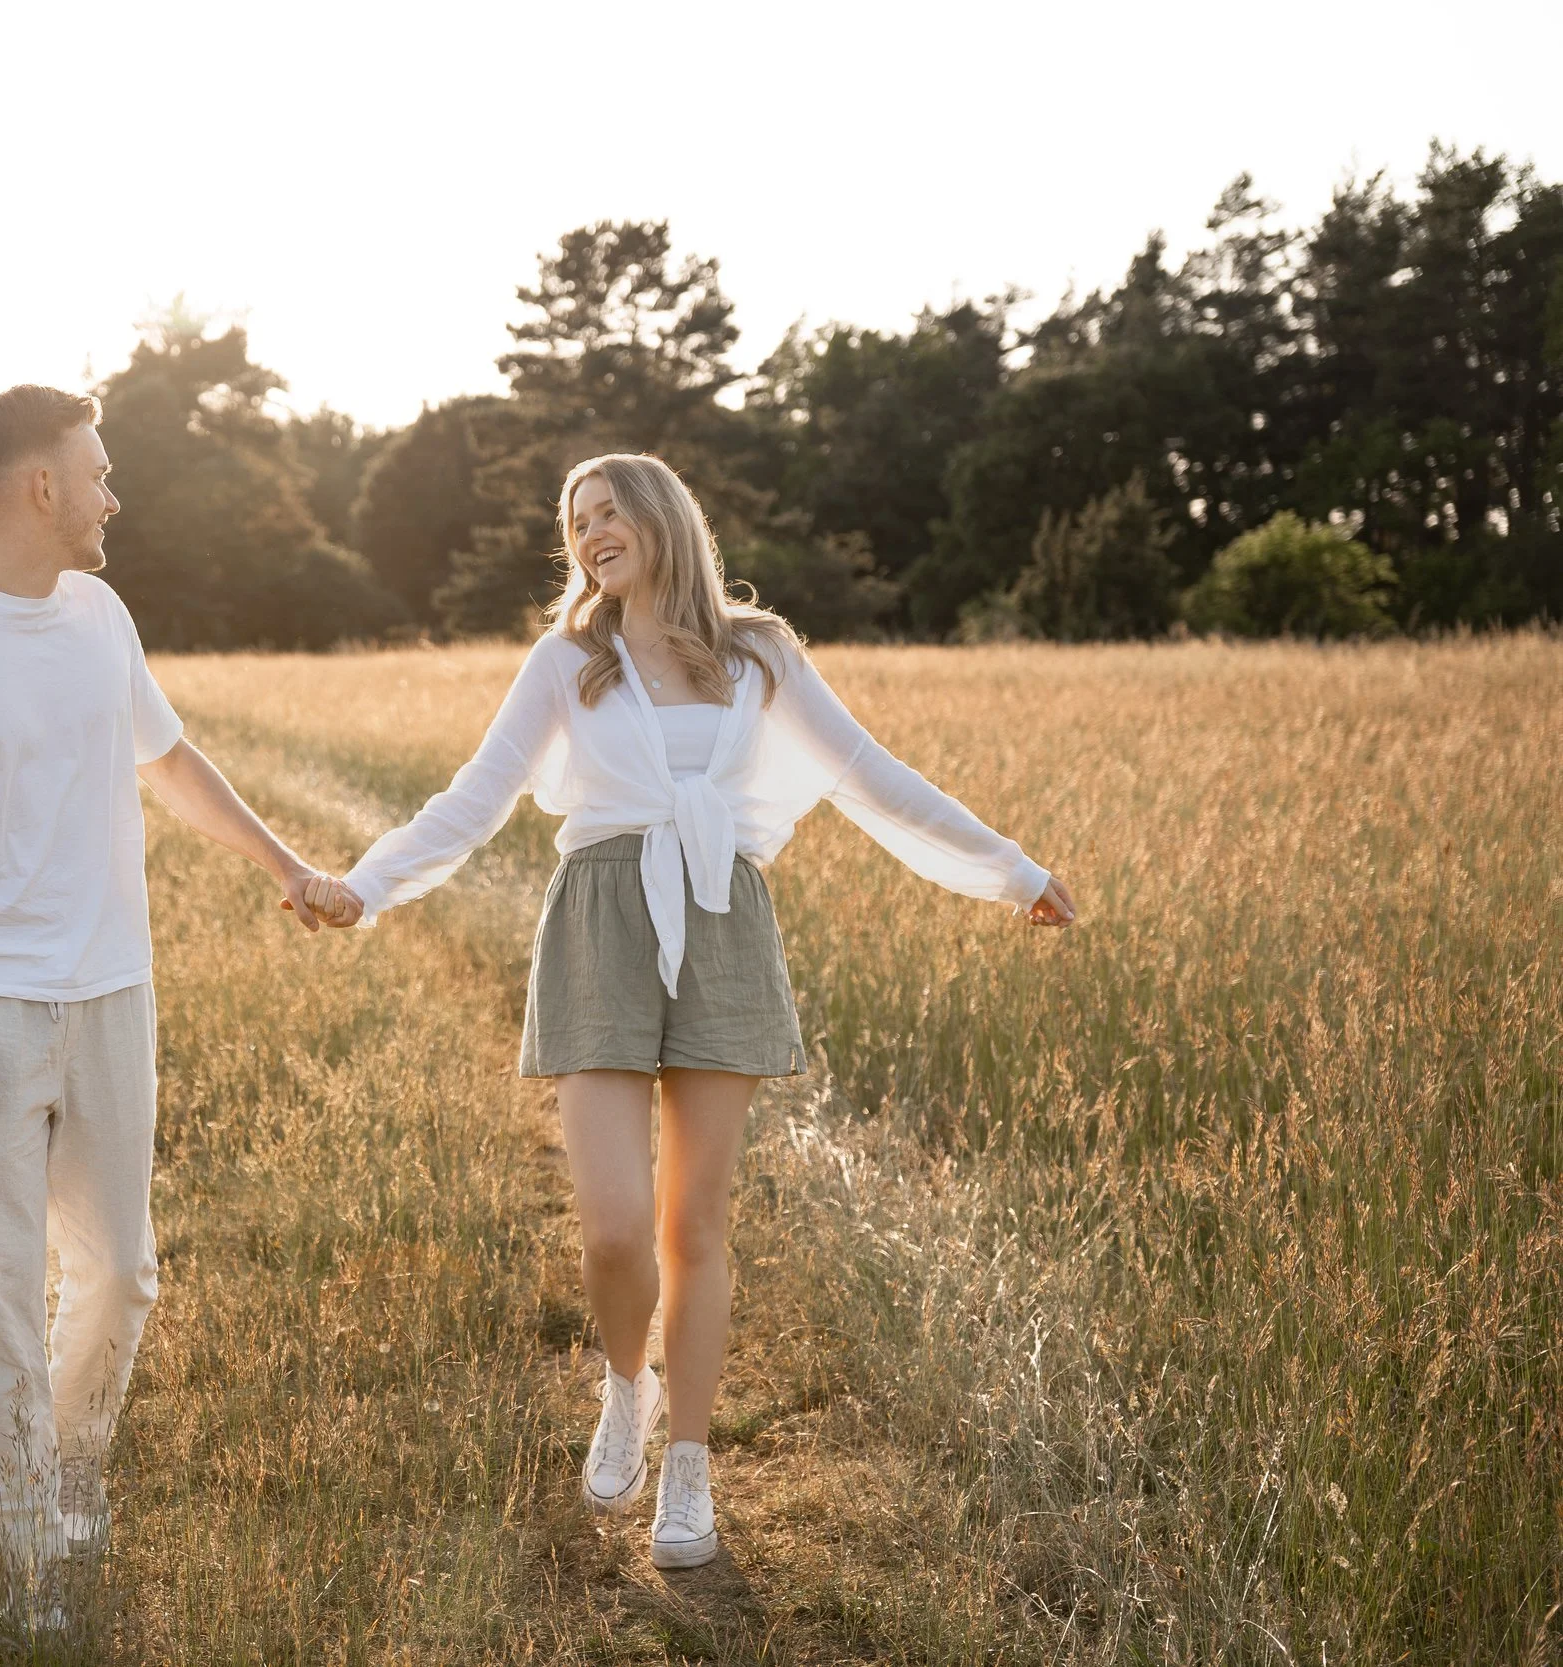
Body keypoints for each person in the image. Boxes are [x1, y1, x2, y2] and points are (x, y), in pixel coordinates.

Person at [316, 453, 1076, 1571]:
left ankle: (687, 1464)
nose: (589, 533)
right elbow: (472, 799)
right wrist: (367, 883)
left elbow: (870, 772)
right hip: (597, 924)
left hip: (720, 919)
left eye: (608, 510)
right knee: (617, 1224)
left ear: (663, 516)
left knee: (695, 1222)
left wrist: (1009, 868)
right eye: (576, 521)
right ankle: (627, 1386)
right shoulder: (566, 658)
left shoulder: (758, 652)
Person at [0, 384, 347, 1617]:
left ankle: (68, 1473)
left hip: (114, 989)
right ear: (40, 488)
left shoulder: (103, 614)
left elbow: (165, 757)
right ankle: (19, 1562)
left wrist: (286, 866)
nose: (116, 495)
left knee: (120, 1270)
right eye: (99, 473)